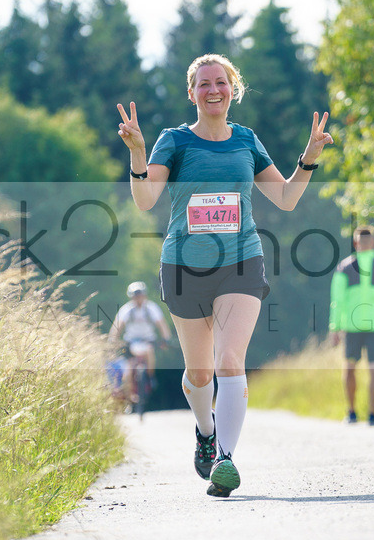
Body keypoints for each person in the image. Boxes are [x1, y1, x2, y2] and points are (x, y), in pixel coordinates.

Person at [116, 53, 332, 497]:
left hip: (241, 262)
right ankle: (205, 429)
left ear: (233, 89)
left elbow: (286, 198)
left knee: (229, 361)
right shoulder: (173, 141)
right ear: (191, 92)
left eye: (221, 83)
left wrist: (308, 158)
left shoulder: (247, 141)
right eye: (204, 84)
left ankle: (226, 460)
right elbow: (145, 198)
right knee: (200, 373)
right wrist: (138, 152)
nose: (213, 90)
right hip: (183, 267)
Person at [329, 225, 374, 426]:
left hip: (352, 326)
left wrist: (334, 327)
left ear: (355, 243)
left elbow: (337, 300)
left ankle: (351, 412)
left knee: (350, 367)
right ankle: (372, 414)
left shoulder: (345, 266)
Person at [109, 281, 172, 403]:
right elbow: (117, 327)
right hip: (131, 342)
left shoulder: (151, 308)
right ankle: (130, 394)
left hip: (148, 340)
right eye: (135, 296)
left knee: (149, 352)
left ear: (144, 295)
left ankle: (150, 377)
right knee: (128, 369)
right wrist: (112, 341)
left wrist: (166, 339)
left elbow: (162, 325)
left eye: (140, 295)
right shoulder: (126, 310)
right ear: (131, 297)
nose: (138, 298)